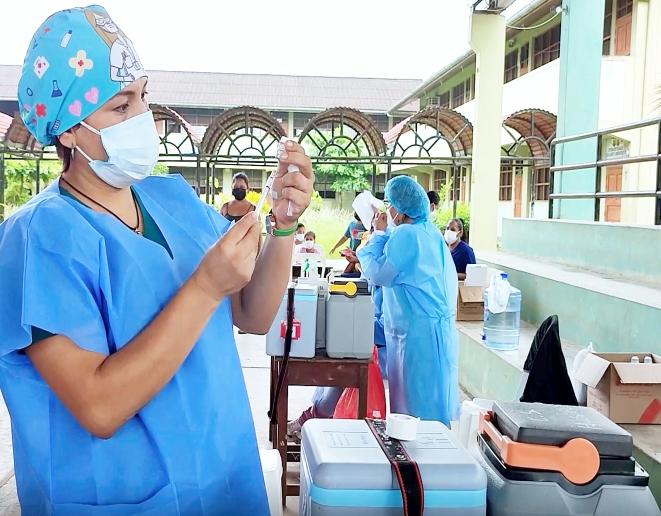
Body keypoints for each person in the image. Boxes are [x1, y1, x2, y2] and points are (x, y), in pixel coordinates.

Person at [0, 7, 314, 514]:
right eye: (120, 106)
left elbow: (253, 315)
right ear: (68, 130)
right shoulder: (39, 238)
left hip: (222, 477)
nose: (142, 118)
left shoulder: (173, 200)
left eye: (143, 97)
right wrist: (204, 287)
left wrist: (282, 226)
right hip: (123, 497)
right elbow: (99, 407)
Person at [358, 176, 458, 425]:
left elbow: (378, 273)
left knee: (414, 409)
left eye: (390, 204)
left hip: (416, 334)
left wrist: (379, 234)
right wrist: (383, 234)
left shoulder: (407, 235)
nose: (387, 210)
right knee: (429, 402)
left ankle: (420, 450)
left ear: (401, 210)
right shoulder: (428, 232)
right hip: (427, 329)